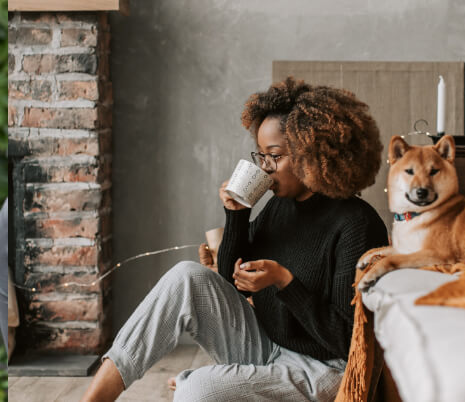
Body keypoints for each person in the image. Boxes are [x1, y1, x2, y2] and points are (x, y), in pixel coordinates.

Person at [81, 77, 388, 401]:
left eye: (275, 156)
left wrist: (285, 282)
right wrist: (237, 213)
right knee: (187, 276)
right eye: (261, 156)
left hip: (325, 369)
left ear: (311, 152)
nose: (265, 168)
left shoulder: (356, 224)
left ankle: (197, 380)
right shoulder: (280, 206)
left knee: (197, 392)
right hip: (271, 346)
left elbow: (348, 340)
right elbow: (231, 278)